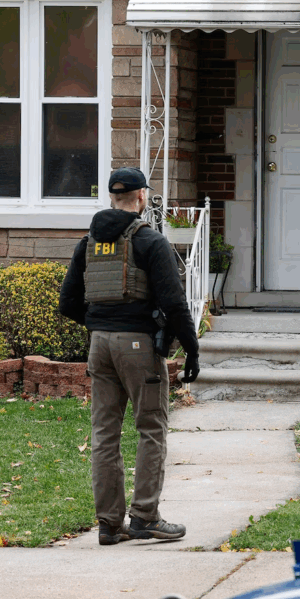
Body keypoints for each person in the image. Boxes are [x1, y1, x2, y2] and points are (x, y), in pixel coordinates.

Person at [59, 167, 200, 545]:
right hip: (138, 347)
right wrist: (191, 348)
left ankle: (108, 524)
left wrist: (100, 324)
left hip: (99, 345)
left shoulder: (87, 243)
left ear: (111, 197)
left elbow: (67, 302)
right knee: (151, 429)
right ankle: (145, 517)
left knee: (104, 434)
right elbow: (174, 302)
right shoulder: (150, 241)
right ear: (141, 197)